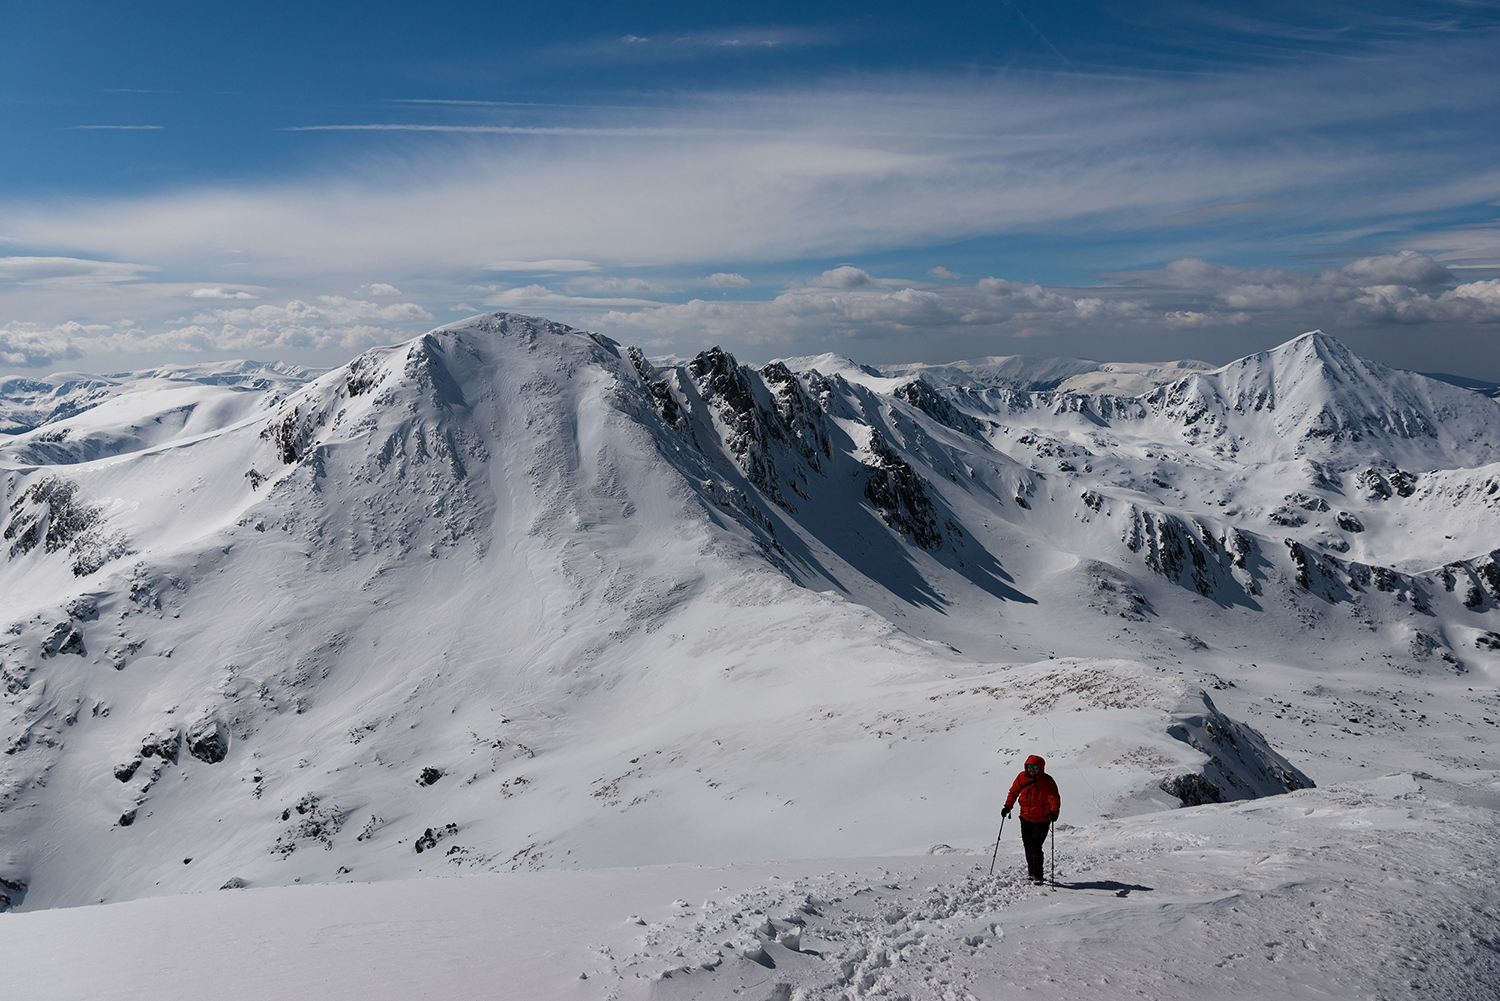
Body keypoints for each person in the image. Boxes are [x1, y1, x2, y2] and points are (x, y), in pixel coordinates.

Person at [1001, 754, 1061, 885]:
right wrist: (1007, 806)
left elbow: (1054, 797)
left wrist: (1054, 812)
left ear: (1041, 768)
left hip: (1042, 820)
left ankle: (1038, 875)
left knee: (1035, 846)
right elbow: (1014, 792)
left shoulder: (1047, 781)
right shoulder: (1021, 777)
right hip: (1025, 818)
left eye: (1034, 767)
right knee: (1027, 846)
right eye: (1029, 766)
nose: (1031, 769)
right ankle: (1031, 873)